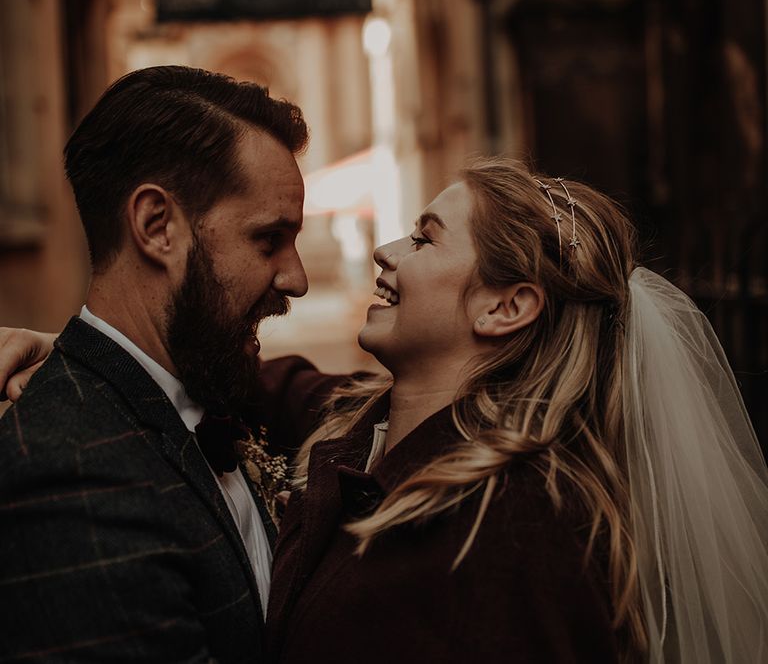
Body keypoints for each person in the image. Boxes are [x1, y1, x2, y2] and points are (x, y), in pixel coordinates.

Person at [3, 159, 767, 663]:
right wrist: (63, 349)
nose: (386, 252)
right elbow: (264, 385)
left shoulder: (522, 526)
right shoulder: (363, 422)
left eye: (425, 239)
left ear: (506, 305)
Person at [0, 65, 325, 663]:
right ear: (156, 226)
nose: (296, 278)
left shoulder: (194, 391)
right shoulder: (70, 476)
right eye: (268, 239)